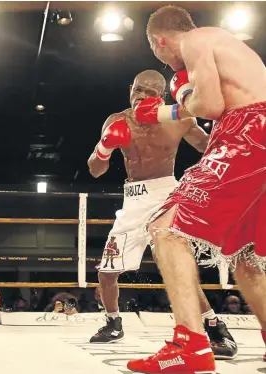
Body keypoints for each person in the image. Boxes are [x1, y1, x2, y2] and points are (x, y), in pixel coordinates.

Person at [126, 6, 266, 373]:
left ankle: (191, 345)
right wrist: (178, 104)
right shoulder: (227, 46)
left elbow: (210, 105)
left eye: (160, 55)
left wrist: (168, 106)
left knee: (165, 228)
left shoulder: (198, 39)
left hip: (248, 133)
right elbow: (217, 108)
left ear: (160, 41)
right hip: (253, 136)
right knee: (245, 254)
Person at [87, 70, 237, 359]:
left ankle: (215, 327)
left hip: (167, 194)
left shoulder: (178, 119)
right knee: (107, 271)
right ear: (130, 89)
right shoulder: (117, 120)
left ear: (161, 96)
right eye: (138, 90)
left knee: (174, 267)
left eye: (150, 92)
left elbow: (210, 147)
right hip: (132, 199)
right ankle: (113, 322)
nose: (141, 96)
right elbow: (95, 169)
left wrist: (226, 121)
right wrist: (104, 147)